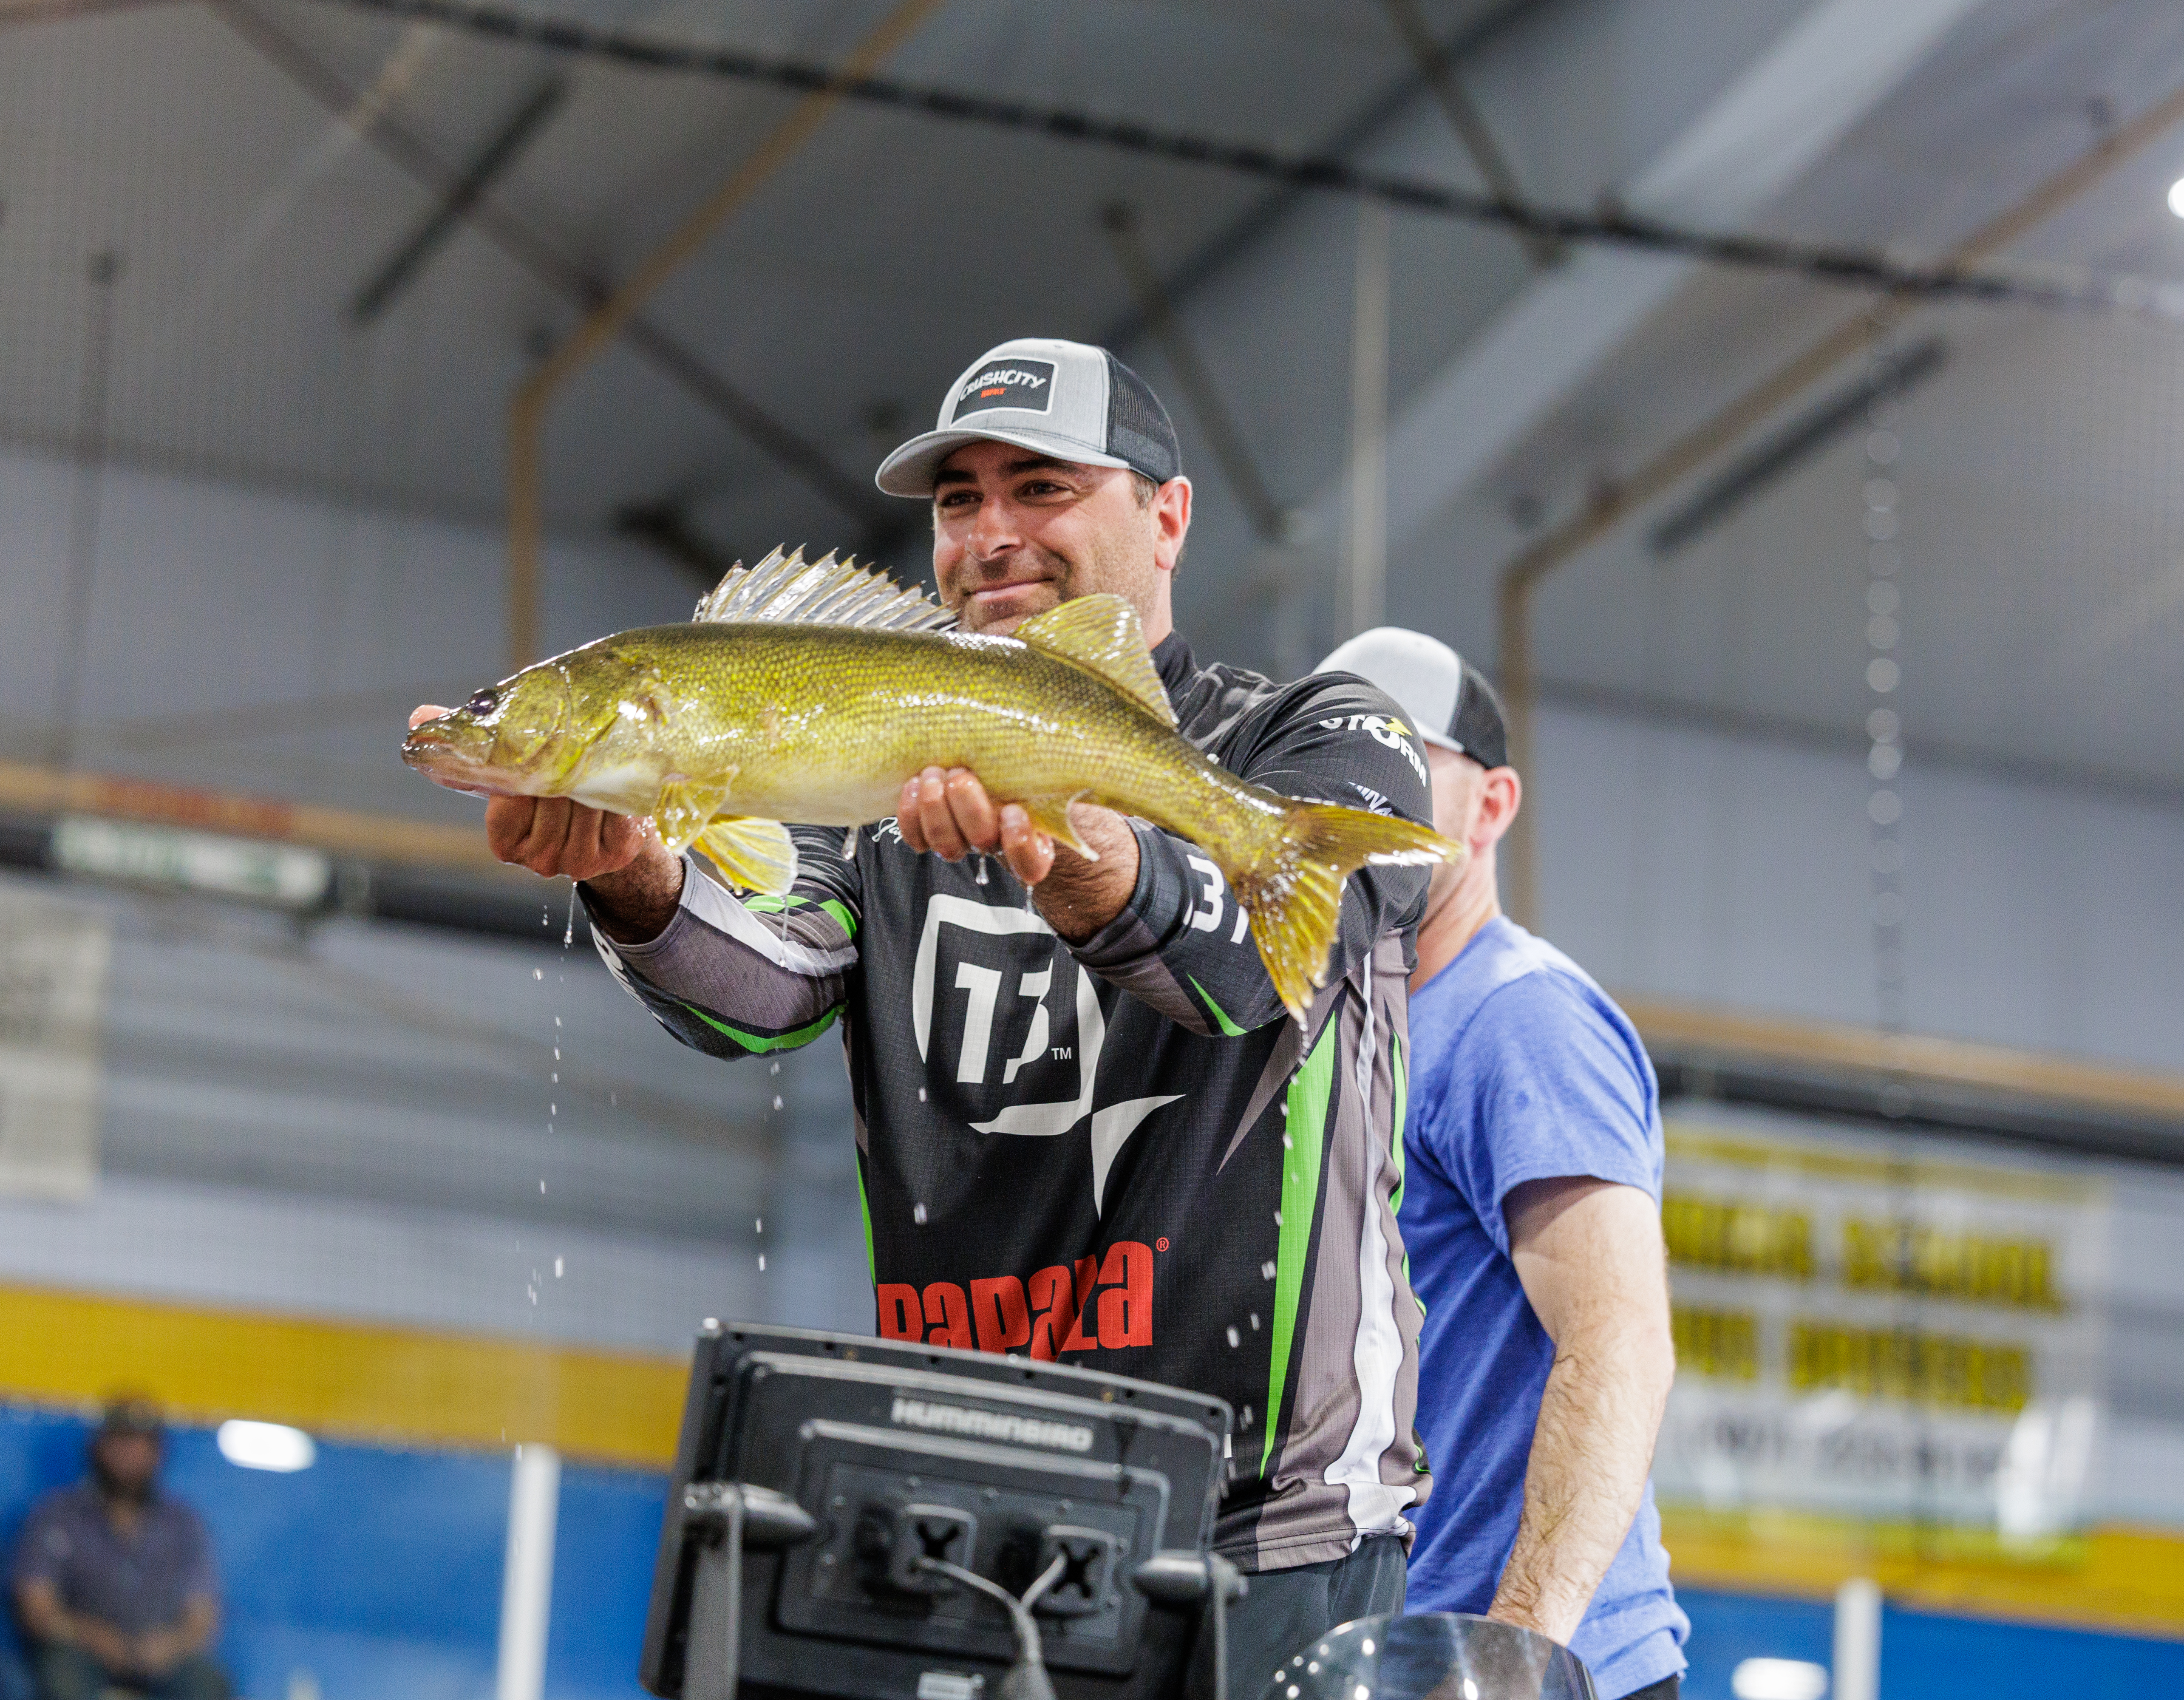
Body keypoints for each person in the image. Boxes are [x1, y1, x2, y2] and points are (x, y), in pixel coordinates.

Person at [416, 339, 1436, 1697]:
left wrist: (1093, 867)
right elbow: (766, 997)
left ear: (1167, 516)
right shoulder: (871, 797)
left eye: (1040, 486)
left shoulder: (1317, 739)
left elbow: (1255, 972)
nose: (991, 531)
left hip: (1263, 1523)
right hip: (963, 1490)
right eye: (958, 500)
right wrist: (635, 871)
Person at [1315, 628, 1688, 1700]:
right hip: (1403, 1660)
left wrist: (1514, 1649)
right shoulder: (1352, 1032)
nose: (1359, 794)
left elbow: (1618, 1341)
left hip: (1521, 1668)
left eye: (1400, 761)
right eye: (1331, 757)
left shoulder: (1515, 1018)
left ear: (1490, 806)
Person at [9, 1397, 228, 1700]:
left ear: (158, 1454)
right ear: (97, 1447)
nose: (130, 1455)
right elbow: (36, 1607)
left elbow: (203, 1615)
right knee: (61, 1681)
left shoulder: (183, 1524)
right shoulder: (57, 1515)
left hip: (162, 1659)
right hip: (79, 1654)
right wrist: (96, 1638)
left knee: (207, 1686)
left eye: (142, 1445)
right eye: (120, 1443)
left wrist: (168, 1646)